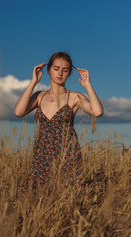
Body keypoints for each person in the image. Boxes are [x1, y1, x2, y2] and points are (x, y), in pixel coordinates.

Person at [14, 52, 103, 190]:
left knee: (67, 197)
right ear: (49, 70)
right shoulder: (39, 96)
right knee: (40, 198)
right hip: (41, 155)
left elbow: (97, 112)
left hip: (67, 156)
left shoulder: (74, 97)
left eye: (65, 70)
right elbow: (19, 112)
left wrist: (87, 85)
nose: (60, 73)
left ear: (69, 74)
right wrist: (33, 83)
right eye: (56, 68)